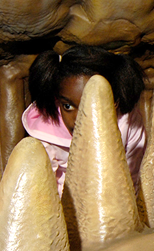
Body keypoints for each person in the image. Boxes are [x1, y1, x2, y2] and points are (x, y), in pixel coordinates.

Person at [22, 46, 147, 195]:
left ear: (115, 102)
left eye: (91, 106)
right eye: (68, 106)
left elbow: (131, 178)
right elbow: (42, 195)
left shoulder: (128, 123)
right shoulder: (46, 137)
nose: (78, 118)